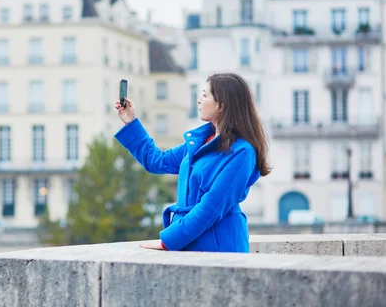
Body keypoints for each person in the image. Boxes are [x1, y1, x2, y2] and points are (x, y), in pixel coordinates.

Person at [114, 72, 271, 252]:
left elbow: (212, 206)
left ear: (222, 105)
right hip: (190, 240)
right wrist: (131, 122)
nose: (199, 100)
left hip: (220, 246)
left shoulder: (242, 152)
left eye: (205, 95)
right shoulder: (201, 141)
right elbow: (157, 161)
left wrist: (168, 240)